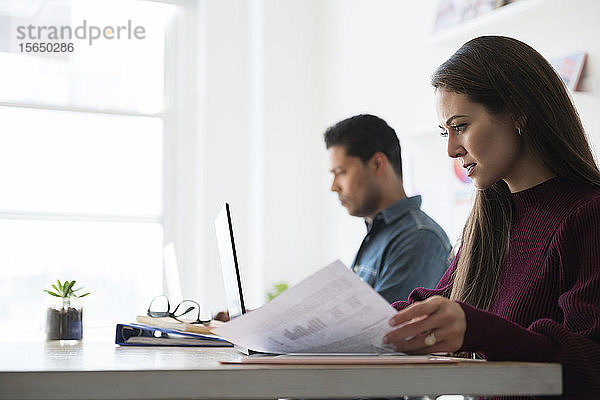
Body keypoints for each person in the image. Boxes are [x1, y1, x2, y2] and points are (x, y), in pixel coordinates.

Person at [383, 36, 600, 398]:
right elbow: (432, 306)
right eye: (445, 131)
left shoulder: (588, 215)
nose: (452, 148)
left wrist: (478, 329)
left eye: (461, 126)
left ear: (517, 113)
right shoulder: (489, 222)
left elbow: (590, 363)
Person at [324, 114, 452, 303]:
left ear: (377, 164)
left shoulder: (419, 237)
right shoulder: (380, 234)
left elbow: (382, 328)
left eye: (341, 172)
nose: (334, 187)